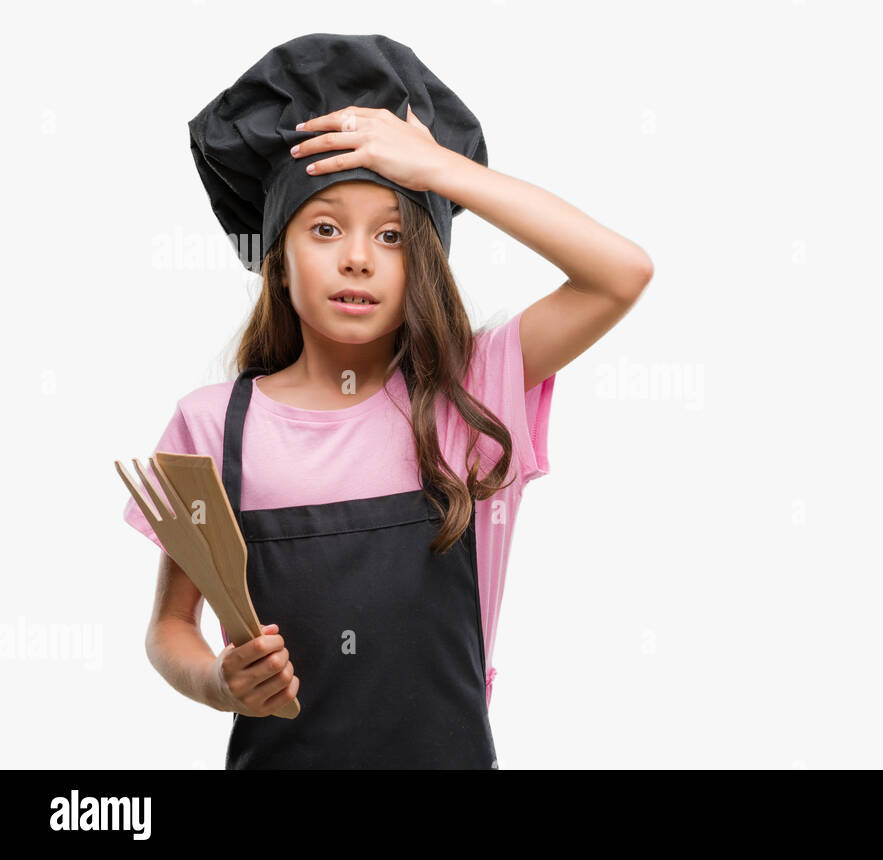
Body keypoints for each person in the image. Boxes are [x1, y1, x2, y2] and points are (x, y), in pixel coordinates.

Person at [121, 33, 652, 769]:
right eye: (326, 227)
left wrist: (439, 169)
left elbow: (620, 274)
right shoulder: (214, 425)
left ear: (425, 262)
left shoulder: (469, 395)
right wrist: (218, 680)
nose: (358, 257)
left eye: (395, 234)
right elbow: (170, 628)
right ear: (279, 261)